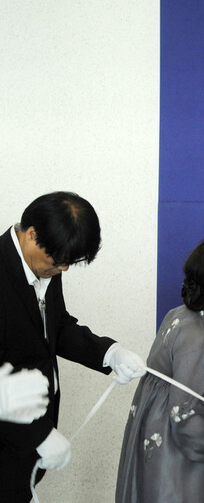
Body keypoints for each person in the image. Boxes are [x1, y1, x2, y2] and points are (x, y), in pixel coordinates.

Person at [0, 191, 145, 502]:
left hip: (24, 454)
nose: (63, 270)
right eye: (57, 262)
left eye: (69, 263)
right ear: (32, 235)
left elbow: (57, 327)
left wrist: (108, 352)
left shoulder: (46, 265)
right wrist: (36, 434)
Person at [116, 237, 204, 503]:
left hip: (172, 448)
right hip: (181, 463)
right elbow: (187, 414)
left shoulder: (179, 316)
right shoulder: (194, 334)